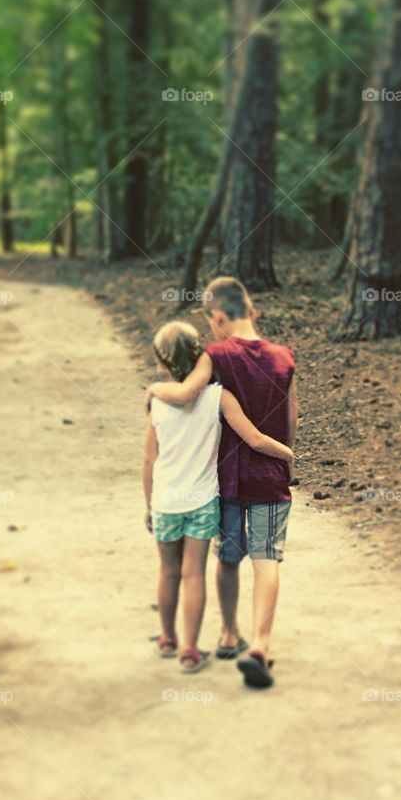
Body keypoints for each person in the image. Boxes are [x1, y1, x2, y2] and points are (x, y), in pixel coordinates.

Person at [146, 278, 297, 689]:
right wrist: (287, 459)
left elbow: (186, 393)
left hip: (226, 481)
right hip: (269, 479)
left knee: (228, 558)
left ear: (217, 317)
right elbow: (291, 419)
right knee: (267, 561)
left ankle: (229, 634)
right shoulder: (284, 358)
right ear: (253, 312)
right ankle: (260, 644)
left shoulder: (215, 355)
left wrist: (154, 388)